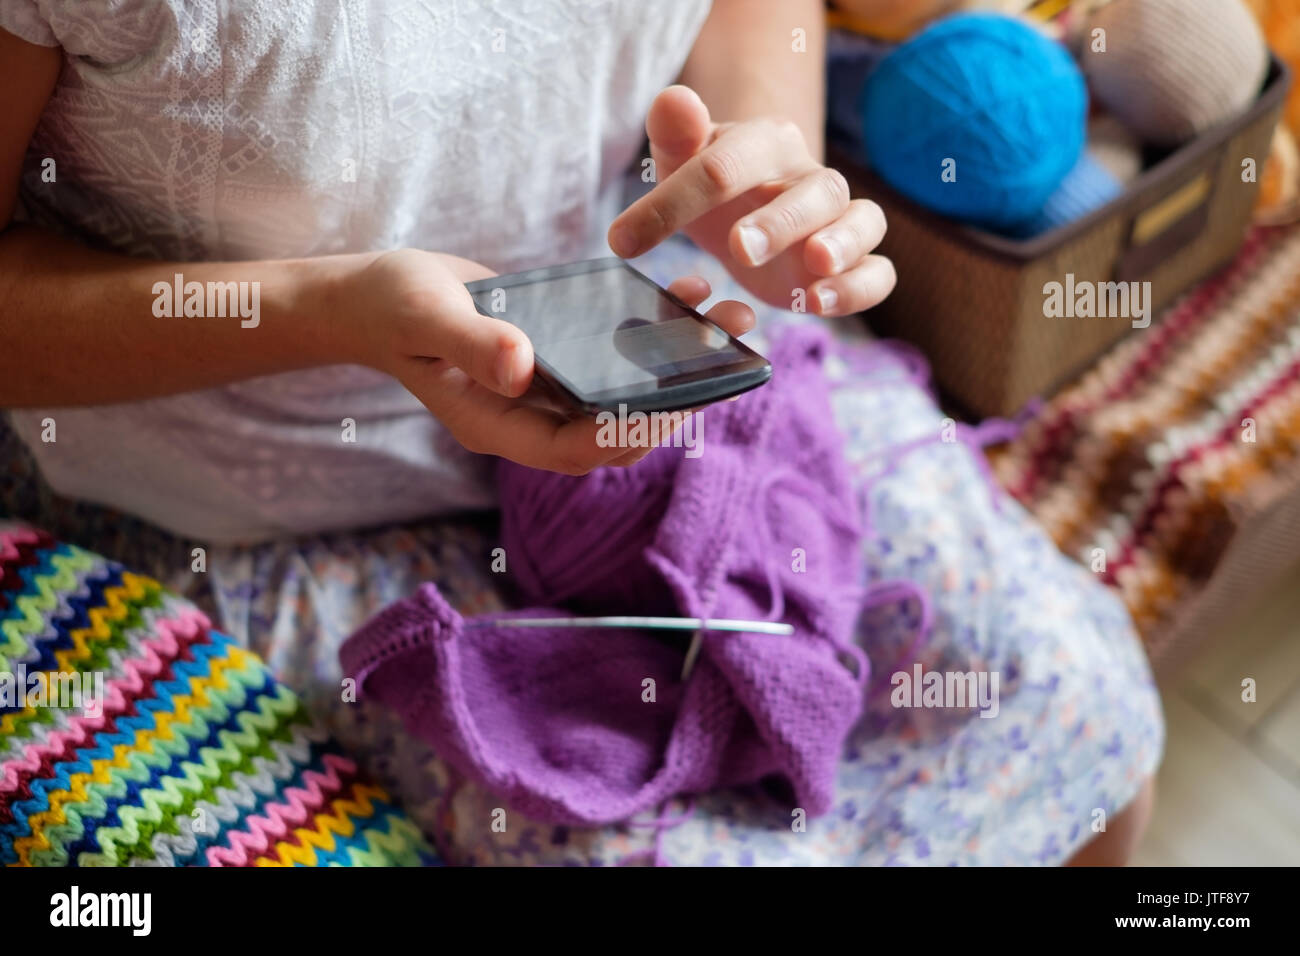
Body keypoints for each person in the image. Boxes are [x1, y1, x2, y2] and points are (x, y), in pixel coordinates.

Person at [0, 0, 1159, 865]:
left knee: (1080, 717)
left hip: (647, 356)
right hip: (262, 505)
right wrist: (323, 313)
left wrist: (757, 168)